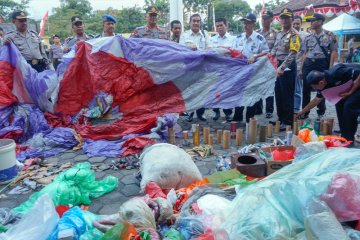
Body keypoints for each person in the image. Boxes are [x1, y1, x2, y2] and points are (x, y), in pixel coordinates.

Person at [297, 64, 360, 144]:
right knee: (339, 103)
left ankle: (348, 140)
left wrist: (351, 91)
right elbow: (316, 100)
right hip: (351, 87)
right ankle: (344, 133)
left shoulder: (337, 73)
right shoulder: (322, 85)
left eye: (315, 87)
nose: (315, 89)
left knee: (349, 105)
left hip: (358, 83)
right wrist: (302, 112)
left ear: (321, 82)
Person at [232, 13, 269, 123]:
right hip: (240, 72)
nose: (245, 25)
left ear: (253, 24)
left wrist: (255, 56)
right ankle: (237, 117)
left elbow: (267, 52)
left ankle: (249, 118)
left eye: (248, 23)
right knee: (239, 94)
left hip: (253, 72)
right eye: (244, 23)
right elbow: (232, 51)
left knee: (251, 95)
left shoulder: (259, 38)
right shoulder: (238, 38)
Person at [299, 13, 337, 120]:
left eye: (313, 20)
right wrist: (301, 69)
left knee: (322, 88)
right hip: (309, 63)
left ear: (320, 22)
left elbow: (333, 52)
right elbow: (304, 54)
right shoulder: (307, 37)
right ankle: (305, 113)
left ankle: (321, 112)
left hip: (322, 63)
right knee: (305, 89)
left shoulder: (329, 36)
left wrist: (330, 68)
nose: (311, 23)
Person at [271, 8, 301, 129]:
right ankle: (280, 117)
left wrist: (282, 67)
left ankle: (288, 121)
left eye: (287, 18)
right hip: (277, 64)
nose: (284, 20)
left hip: (287, 66)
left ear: (291, 19)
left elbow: (293, 53)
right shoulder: (279, 34)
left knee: (287, 94)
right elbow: (275, 48)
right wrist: (270, 56)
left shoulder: (294, 35)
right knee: (278, 93)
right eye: (282, 18)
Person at [179, 13, 211, 122]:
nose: (196, 23)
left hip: (202, 68)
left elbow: (210, 48)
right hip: (189, 68)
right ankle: (190, 113)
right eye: (194, 21)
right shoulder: (185, 35)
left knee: (202, 91)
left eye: (198, 21)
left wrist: (205, 50)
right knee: (190, 91)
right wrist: (189, 47)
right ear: (190, 22)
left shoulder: (205, 34)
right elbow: (180, 48)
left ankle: (201, 113)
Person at [210, 17, 236, 122]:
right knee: (215, 91)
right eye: (218, 26)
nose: (219, 28)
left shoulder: (233, 39)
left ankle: (228, 113)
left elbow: (234, 53)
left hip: (229, 70)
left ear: (226, 26)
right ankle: (216, 112)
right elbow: (211, 53)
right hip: (216, 70)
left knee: (227, 92)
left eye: (221, 25)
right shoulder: (212, 39)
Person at [257, 10, 278, 119]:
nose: (264, 20)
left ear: (271, 20)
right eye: (263, 18)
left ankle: (269, 110)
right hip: (259, 64)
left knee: (270, 87)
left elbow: (276, 48)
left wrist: (268, 56)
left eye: (266, 19)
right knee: (258, 85)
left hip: (270, 64)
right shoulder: (257, 33)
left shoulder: (275, 33)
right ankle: (258, 108)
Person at [292, 15, 309, 114]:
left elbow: (306, 52)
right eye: (294, 23)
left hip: (299, 65)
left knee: (297, 88)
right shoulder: (288, 34)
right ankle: (289, 107)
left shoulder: (306, 36)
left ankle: (296, 109)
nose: (295, 25)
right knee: (288, 88)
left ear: (301, 24)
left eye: (297, 23)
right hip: (288, 65)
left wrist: (301, 67)